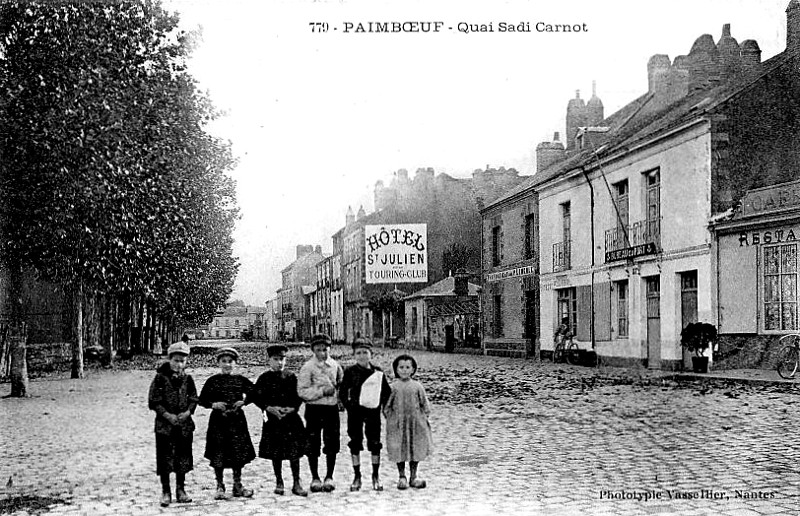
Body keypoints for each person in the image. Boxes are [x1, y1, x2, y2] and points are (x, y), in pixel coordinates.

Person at [198, 347, 256, 500]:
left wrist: (244, 401)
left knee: (237, 453)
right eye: (224, 361)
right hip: (219, 421)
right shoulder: (213, 381)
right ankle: (220, 485)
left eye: (230, 362)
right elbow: (202, 399)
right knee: (219, 453)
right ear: (218, 363)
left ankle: (238, 484)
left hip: (236, 421)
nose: (227, 365)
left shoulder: (240, 380)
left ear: (235, 363)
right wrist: (213, 405)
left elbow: (255, 392)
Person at [252, 344, 308, 497]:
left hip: (290, 420)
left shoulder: (291, 376)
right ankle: (279, 481)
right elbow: (256, 397)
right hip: (273, 421)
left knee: (294, 452)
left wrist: (293, 408)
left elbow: (299, 395)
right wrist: (268, 408)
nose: (279, 362)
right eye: (275, 359)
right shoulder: (264, 378)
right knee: (276, 452)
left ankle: (297, 482)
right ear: (269, 360)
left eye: (282, 359)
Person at [147, 340, 198, 507]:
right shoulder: (160, 378)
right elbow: (154, 401)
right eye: (176, 360)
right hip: (165, 426)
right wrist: (167, 415)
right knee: (165, 458)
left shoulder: (188, 379)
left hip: (184, 425)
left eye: (182, 361)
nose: (179, 364)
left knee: (182, 457)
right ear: (169, 360)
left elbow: (193, 398)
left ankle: (181, 489)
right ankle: (166, 491)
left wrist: (188, 412)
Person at [339, 338, 391, 491]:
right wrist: (348, 405)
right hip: (355, 412)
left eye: (365, 352)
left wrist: (382, 406)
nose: (362, 356)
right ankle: (357, 476)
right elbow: (343, 391)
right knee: (355, 441)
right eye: (359, 353)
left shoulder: (378, 372)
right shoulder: (350, 371)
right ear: (354, 355)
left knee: (375, 442)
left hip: (372, 412)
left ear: (371, 354)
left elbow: (386, 392)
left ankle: (376, 475)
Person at [297, 333, 343, 493]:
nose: (322, 353)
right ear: (313, 350)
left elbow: (340, 385)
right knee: (312, 443)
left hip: (331, 410)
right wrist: (322, 391)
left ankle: (329, 476)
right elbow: (302, 391)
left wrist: (341, 399)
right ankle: (315, 477)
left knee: (332, 443)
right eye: (318, 350)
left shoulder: (335, 365)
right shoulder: (308, 367)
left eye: (325, 349)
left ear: (330, 348)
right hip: (314, 409)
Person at [383, 354, 434, 491]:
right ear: (396, 369)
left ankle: (413, 476)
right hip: (398, 424)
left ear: (413, 369)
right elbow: (386, 406)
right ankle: (402, 476)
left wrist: (423, 418)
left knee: (415, 448)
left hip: (415, 423)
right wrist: (392, 419)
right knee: (399, 447)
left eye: (407, 367)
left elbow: (425, 404)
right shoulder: (393, 387)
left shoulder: (417, 386)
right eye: (401, 367)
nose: (404, 370)